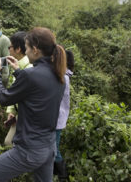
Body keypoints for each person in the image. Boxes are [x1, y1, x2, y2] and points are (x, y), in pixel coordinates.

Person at [0, 27, 67, 182]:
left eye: (27, 48)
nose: (26, 52)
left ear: (35, 50)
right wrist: (18, 71)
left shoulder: (31, 75)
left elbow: (3, 98)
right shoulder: (58, 74)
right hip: (48, 147)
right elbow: (37, 95)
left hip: (28, 150)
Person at [4, 31, 33, 146]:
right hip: (19, 114)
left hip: (27, 117)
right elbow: (15, 91)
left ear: (18, 49)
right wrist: (11, 111)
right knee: (9, 142)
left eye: (10, 47)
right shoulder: (18, 66)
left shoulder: (29, 69)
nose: (8, 49)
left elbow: (9, 95)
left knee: (11, 143)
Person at [53, 49, 74, 181]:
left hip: (57, 119)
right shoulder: (64, 75)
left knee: (54, 149)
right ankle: (56, 172)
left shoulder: (63, 77)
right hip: (58, 118)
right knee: (54, 147)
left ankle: (63, 176)